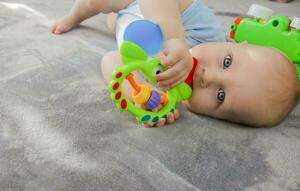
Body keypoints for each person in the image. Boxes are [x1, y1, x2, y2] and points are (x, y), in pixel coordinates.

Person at [52, 0, 300, 127]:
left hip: (125, 28)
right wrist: (173, 37)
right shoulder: (207, 31)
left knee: (113, 21)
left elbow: (111, 60)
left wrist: (139, 94)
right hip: (137, 4)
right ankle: (75, 14)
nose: (207, 77)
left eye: (221, 95)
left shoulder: (167, 94)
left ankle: (113, 17)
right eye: (227, 62)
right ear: (237, 45)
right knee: (99, 2)